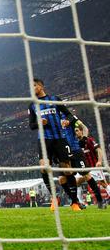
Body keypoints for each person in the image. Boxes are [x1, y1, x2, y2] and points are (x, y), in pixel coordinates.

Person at [28, 78, 82, 211]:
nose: (32, 88)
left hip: (59, 138)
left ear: (41, 86)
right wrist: (40, 122)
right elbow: (31, 125)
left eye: (34, 85)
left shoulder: (54, 99)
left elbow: (69, 115)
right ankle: (54, 198)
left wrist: (67, 122)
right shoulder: (32, 105)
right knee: (44, 167)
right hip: (44, 140)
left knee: (66, 168)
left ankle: (75, 202)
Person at [75, 124, 107, 209]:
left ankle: (101, 203)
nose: (76, 133)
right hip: (84, 167)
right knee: (77, 182)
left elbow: (99, 150)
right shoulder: (76, 143)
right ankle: (81, 203)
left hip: (94, 166)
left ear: (82, 131)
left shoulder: (89, 140)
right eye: (75, 131)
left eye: (77, 130)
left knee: (103, 183)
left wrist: (99, 161)